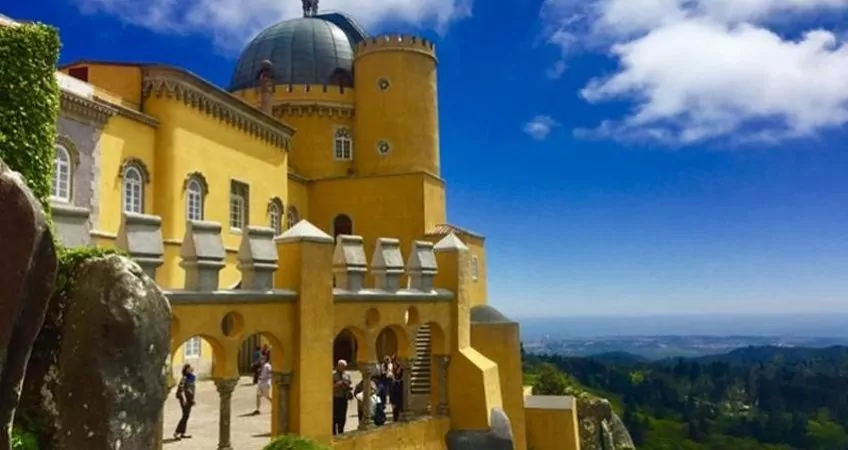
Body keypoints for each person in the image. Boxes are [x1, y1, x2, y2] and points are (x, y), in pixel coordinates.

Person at [173, 363, 196, 440]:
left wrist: (192, 400)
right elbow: (181, 389)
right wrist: (184, 399)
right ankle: (176, 433)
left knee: (186, 416)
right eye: (189, 369)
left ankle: (182, 433)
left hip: (189, 399)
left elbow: (192, 389)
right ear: (186, 370)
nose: (190, 369)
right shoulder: (184, 378)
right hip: (184, 399)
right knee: (185, 416)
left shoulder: (191, 377)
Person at [332, 359, 352, 435]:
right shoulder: (333, 375)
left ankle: (341, 431)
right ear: (337, 366)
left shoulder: (347, 375)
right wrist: (338, 384)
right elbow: (329, 387)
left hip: (344, 398)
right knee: (334, 417)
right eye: (340, 366)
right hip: (336, 398)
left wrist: (348, 386)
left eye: (344, 367)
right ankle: (333, 433)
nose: (342, 368)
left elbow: (349, 384)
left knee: (342, 417)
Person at [390, 355, 404, 422]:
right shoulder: (394, 367)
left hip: (399, 386)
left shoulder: (400, 367)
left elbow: (399, 376)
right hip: (395, 386)